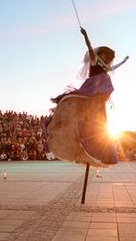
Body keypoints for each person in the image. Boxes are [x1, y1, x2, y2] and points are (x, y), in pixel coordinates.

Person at [46, 27, 128, 167]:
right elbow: (89, 47)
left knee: (105, 81)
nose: (104, 57)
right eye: (102, 54)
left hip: (100, 88)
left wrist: (124, 61)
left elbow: (115, 68)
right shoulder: (94, 60)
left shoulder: (105, 67)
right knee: (81, 96)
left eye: (105, 56)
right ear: (99, 53)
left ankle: (95, 112)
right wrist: (85, 35)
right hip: (93, 85)